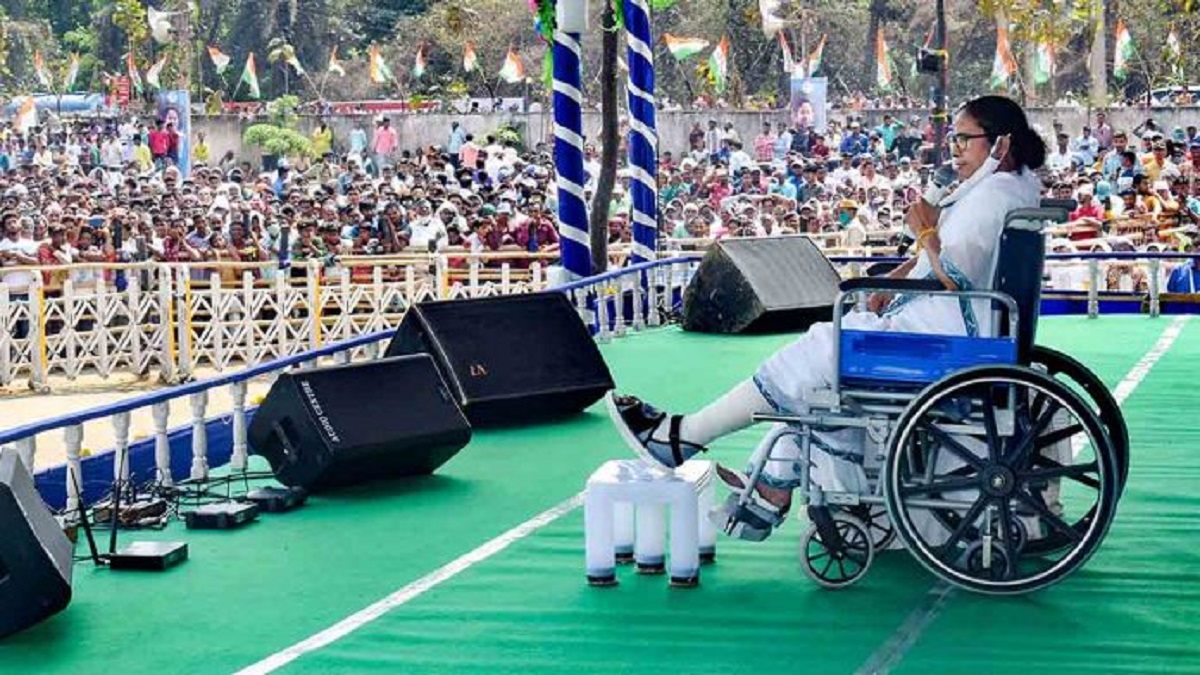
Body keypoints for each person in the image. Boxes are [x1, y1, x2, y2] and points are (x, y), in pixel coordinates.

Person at [607, 95, 1047, 539]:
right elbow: (933, 264)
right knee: (819, 370)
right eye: (953, 140)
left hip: (953, 338)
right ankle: (762, 481)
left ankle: (691, 441)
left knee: (820, 353)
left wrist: (926, 230)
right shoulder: (1006, 188)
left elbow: (953, 274)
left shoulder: (992, 196)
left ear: (1001, 144)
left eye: (964, 140)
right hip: (960, 328)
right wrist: (890, 282)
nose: (954, 152)